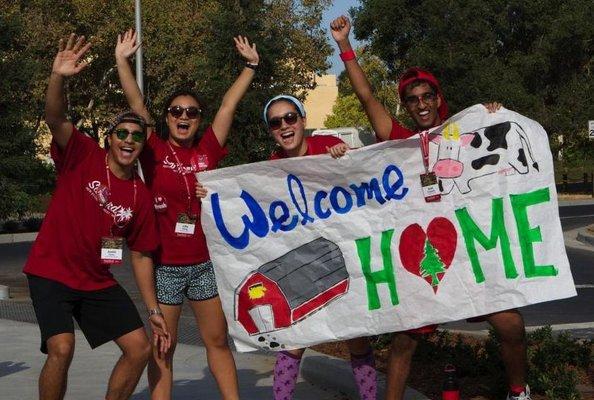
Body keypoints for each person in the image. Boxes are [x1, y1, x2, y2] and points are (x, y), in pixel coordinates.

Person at [330, 15, 531, 400]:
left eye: (427, 97)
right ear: (405, 105)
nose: (421, 104)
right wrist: (345, 46)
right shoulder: (401, 141)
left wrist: (494, 113)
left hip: (469, 249)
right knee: (405, 340)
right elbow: (367, 97)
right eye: (412, 99)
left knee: (510, 324)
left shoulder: (463, 132)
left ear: (438, 99)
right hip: (424, 253)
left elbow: (501, 154)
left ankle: (519, 391)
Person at [23, 34, 170, 400]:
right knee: (61, 348)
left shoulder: (140, 195)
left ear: (141, 146)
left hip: (95, 281)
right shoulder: (83, 155)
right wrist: (59, 76)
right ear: (109, 138)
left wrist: (153, 309)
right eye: (121, 132)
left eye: (136, 136)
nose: (129, 139)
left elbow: (140, 255)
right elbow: (55, 117)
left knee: (138, 348)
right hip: (51, 273)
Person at [115, 29, 259, 400]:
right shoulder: (154, 150)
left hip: (204, 265)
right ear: (166, 117)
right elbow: (135, 102)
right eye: (176, 111)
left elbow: (227, 106)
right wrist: (122, 61)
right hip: (165, 267)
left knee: (217, 341)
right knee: (164, 346)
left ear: (198, 120)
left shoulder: (209, 148)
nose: (184, 117)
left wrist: (250, 67)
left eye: (192, 113)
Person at [261, 94, 377, 400]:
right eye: (275, 122)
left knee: (357, 339)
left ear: (302, 121)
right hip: (302, 265)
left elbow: (361, 178)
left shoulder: (325, 146)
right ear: (271, 131)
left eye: (289, 118)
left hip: (342, 258)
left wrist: (345, 155)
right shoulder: (270, 167)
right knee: (294, 342)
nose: (284, 125)